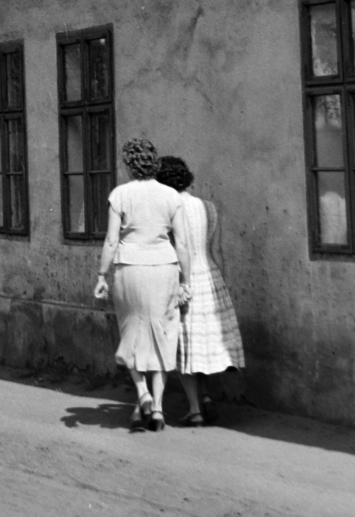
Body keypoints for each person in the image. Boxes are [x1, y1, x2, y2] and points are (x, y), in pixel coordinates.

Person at [93, 137, 192, 431]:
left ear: (128, 165)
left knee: (132, 331)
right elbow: (182, 243)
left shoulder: (120, 194)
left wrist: (101, 275)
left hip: (131, 268)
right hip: (164, 268)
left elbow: (112, 240)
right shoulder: (171, 196)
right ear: (154, 162)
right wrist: (185, 280)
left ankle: (143, 393)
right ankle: (158, 410)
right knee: (162, 335)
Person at [156, 156, 245, 425]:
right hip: (210, 277)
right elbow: (216, 250)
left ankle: (195, 409)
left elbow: (170, 248)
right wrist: (223, 283)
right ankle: (206, 398)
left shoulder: (169, 208)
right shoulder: (209, 207)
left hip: (182, 278)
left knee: (184, 345)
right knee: (202, 344)